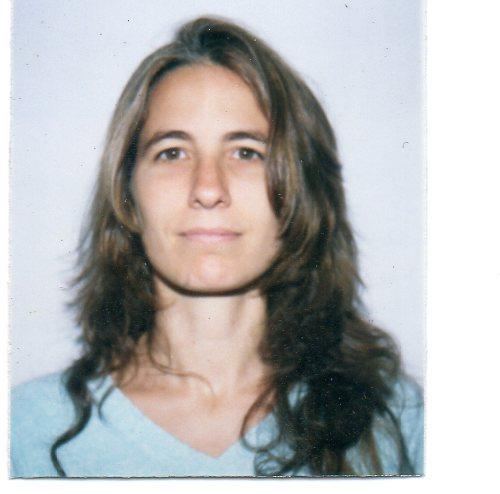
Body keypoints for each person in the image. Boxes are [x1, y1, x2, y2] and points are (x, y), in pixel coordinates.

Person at [10, 16, 423, 477]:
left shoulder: (394, 419)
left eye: (246, 152)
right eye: (172, 152)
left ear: (300, 190)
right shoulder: (25, 434)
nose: (208, 189)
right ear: (127, 195)